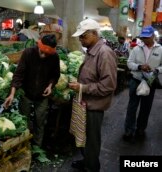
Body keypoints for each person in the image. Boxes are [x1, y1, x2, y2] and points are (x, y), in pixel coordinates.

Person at [68, 18, 117, 172]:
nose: (81, 39)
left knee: (92, 140)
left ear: (95, 34)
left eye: (84, 36)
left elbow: (108, 86)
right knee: (84, 136)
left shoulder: (104, 53)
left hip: (94, 106)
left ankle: (92, 167)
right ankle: (86, 161)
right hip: (85, 103)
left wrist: (83, 87)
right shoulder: (91, 50)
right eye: (80, 36)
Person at [3, 34, 60, 147]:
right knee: (24, 121)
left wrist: (50, 86)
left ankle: (37, 146)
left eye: (47, 54)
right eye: (42, 52)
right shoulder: (28, 53)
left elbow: (55, 75)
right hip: (26, 93)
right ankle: (25, 145)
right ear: (38, 45)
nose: (43, 56)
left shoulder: (54, 57)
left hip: (42, 95)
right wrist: (12, 94)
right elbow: (18, 75)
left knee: (40, 121)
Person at [123, 25, 162, 141]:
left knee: (146, 108)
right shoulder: (136, 49)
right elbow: (129, 63)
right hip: (136, 81)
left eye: (147, 37)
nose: (145, 40)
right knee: (132, 107)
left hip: (150, 82)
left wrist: (156, 70)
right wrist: (140, 66)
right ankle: (129, 130)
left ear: (153, 36)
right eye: (143, 37)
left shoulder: (160, 49)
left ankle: (141, 129)